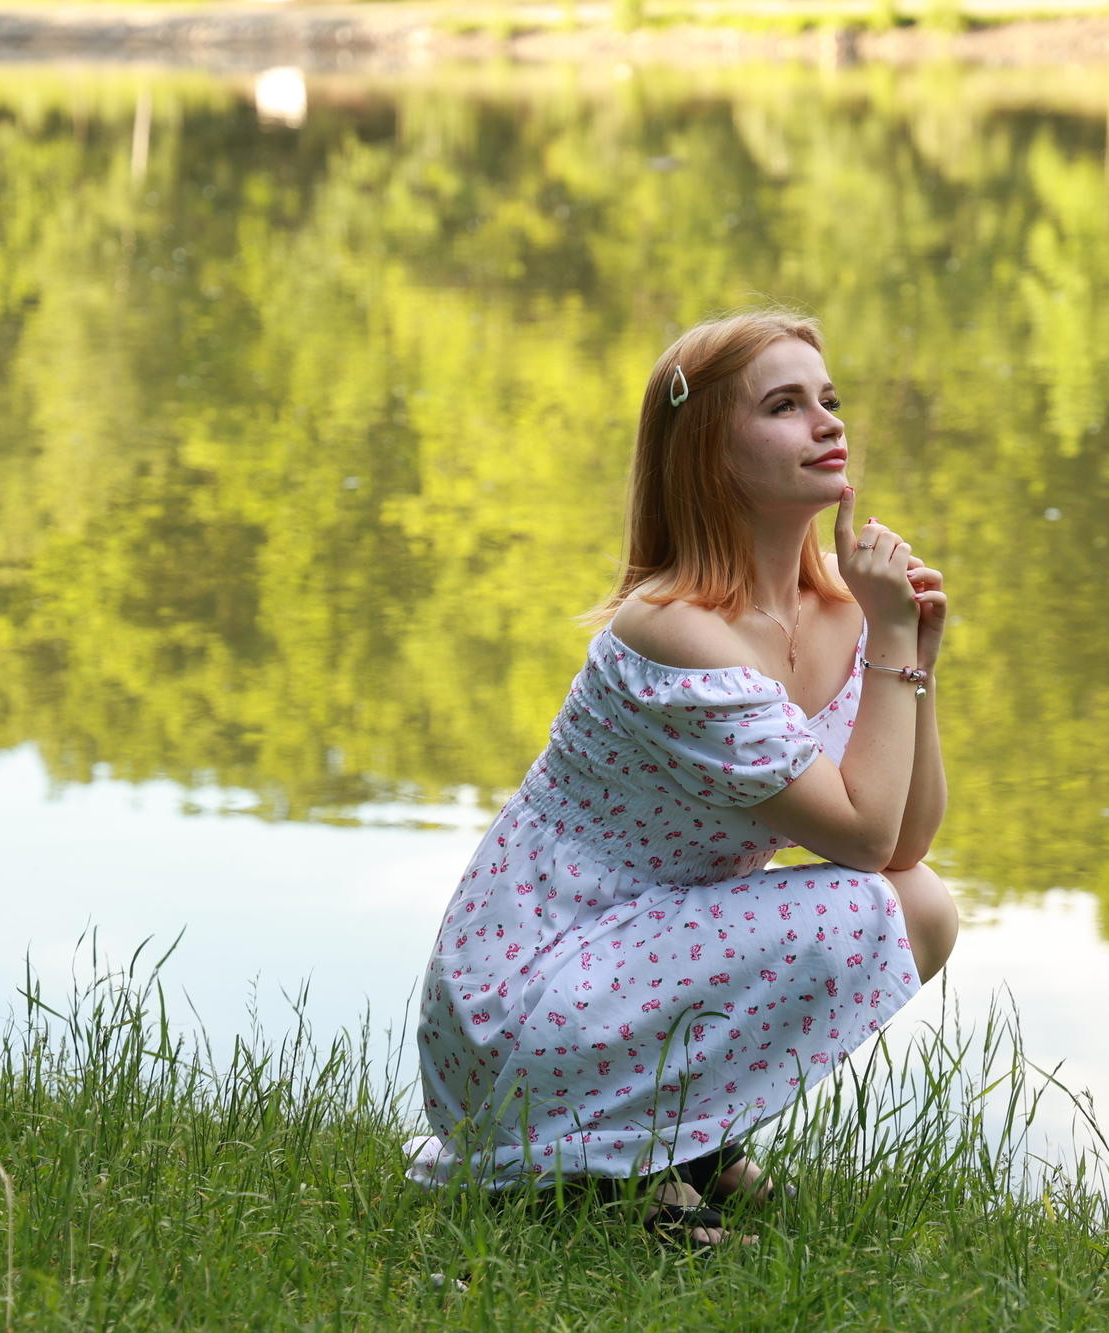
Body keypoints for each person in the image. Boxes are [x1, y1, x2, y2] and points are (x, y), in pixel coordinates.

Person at [406, 310, 958, 1249]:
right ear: (708, 453)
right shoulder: (672, 631)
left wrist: (914, 661)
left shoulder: (843, 608)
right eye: (784, 406)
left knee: (921, 903)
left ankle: (678, 1145)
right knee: (880, 905)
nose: (827, 422)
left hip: (642, 957)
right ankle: (614, 1179)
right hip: (527, 998)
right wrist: (894, 642)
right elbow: (867, 840)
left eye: (828, 399)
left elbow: (903, 842)